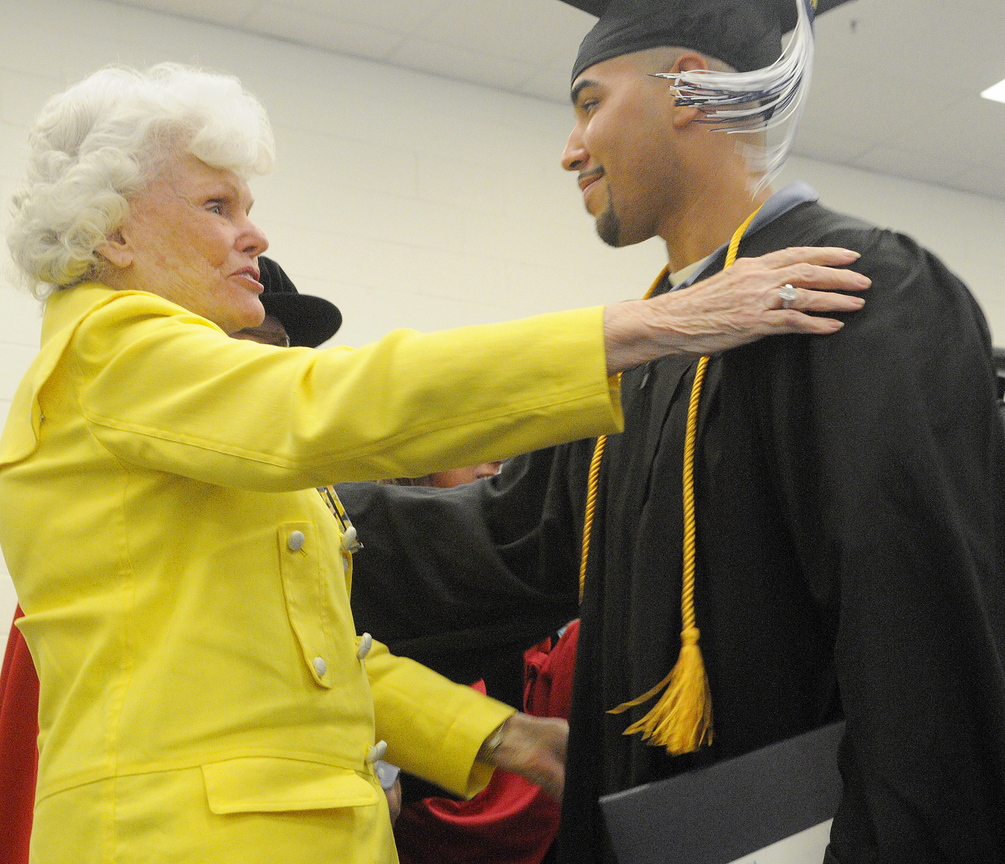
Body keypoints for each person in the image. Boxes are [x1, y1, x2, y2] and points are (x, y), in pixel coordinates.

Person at [0, 63, 865, 864]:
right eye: (217, 205)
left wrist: (511, 739)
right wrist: (646, 328)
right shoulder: (109, 349)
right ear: (113, 233)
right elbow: (325, 400)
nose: (254, 233)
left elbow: (313, 657)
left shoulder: (168, 400)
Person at [338, 1, 1005, 862]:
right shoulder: (656, 334)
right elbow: (516, 538)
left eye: (589, 102)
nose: (570, 149)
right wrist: (304, 525)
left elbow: (922, 638)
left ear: (688, 88)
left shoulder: (853, 291)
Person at [0, 255, 344, 864]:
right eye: (243, 349)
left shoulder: (294, 519)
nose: (271, 372)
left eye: (283, 351)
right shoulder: (110, 562)